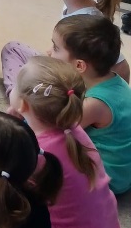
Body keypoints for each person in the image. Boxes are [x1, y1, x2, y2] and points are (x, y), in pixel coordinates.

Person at [12, 56, 119, 228]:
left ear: (22, 104)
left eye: (14, 85)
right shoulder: (73, 129)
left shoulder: (37, 153)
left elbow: (5, 188)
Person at [0, 0, 128, 98]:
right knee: (12, 49)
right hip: (65, 68)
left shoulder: (89, 22)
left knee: (28, 68)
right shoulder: (75, 8)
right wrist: (54, 51)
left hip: (72, 82)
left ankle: (18, 97)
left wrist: (107, 94)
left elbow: (120, 66)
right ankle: (25, 94)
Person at [49, 15, 131, 194]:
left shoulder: (94, 104)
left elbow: (55, 130)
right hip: (122, 173)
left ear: (79, 66)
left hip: (108, 179)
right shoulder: (114, 80)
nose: (49, 52)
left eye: (55, 48)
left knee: (41, 151)